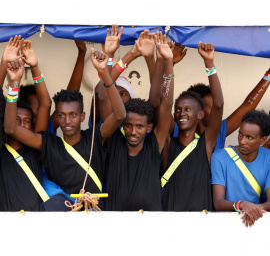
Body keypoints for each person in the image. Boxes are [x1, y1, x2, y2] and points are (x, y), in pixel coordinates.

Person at [4, 49, 126, 211]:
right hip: (64, 215)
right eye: (61, 115)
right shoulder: (48, 143)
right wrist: (15, 83)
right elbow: (11, 128)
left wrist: (104, 72)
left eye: (73, 115)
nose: (67, 121)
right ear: (57, 118)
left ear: (82, 117)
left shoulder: (94, 137)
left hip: (95, 213)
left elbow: (119, 115)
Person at [105, 32, 174, 211]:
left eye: (139, 126)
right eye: (128, 125)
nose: (133, 131)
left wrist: (167, 63)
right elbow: (103, 93)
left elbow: (165, 104)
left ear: (149, 127)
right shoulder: (115, 141)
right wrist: (131, 55)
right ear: (121, 124)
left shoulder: (154, 144)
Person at [162, 42, 224, 211]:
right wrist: (169, 63)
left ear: (200, 115)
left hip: (202, 224)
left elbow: (218, 105)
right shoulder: (167, 143)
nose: (182, 113)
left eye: (188, 109)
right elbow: (163, 104)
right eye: (178, 110)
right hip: (171, 222)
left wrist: (209, 63)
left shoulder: (206, 143)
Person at [0, 37, 52, 211]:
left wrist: (35, 67)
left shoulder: (35, 149)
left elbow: (45, 105)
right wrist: (4, 65)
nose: (22, 124)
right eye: (16, 120)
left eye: (27, 121)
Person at [171, 69, 270, 150]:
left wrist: (268, 75)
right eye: (213, 108)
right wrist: (169, 63)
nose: (217, 111)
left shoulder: (219, 130)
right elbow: (161, 104)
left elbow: (248, 105)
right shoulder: (176, 128)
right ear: (199, 111)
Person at [211, 110, 270, 227]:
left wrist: (254, 209)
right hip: (225, 223)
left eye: (249, 137)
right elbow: (218, 203)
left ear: (262, 140)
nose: (242, 141)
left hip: (255, 222)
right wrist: (242, 204)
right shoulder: (219, 157)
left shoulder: (268, 157)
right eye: (240, 134)